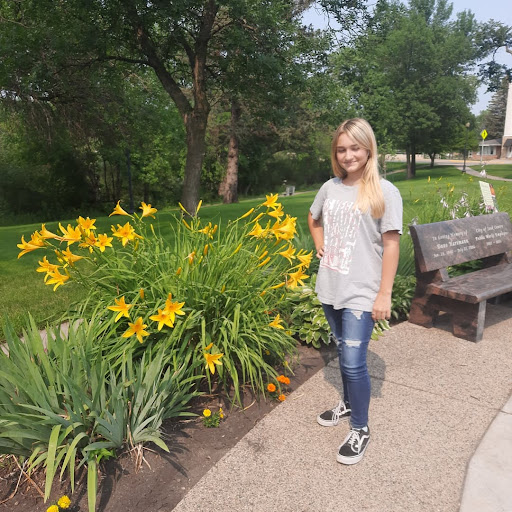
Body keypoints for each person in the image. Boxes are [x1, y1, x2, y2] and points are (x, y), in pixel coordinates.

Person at [308, 118, 402, 465]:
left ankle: (360, 428)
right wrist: (319, 243)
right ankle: (348, 404)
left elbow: (391, 245)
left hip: (362, 290)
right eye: (341, 149)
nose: (348, 155)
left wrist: (384, 294)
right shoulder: (330, 187)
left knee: (351, 361)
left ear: (368, 149)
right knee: (341, 350)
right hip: (331, 286)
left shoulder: (384, 191)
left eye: (355, 148)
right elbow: (313, 218)